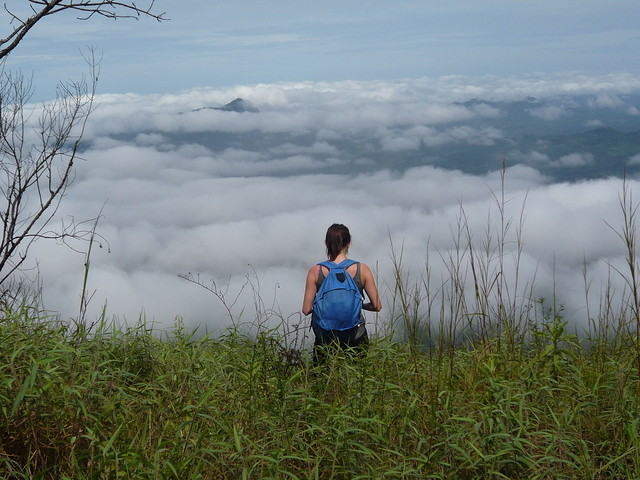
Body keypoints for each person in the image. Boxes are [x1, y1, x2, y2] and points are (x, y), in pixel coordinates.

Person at [302, 223, 382, 363]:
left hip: (325, 336)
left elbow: (306, 309)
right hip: (355, 334)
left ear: (326, 243)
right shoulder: (362, 269)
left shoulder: (315, 271)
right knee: (357, 377)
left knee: (322, 378)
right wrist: (359, 305)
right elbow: (377, 306)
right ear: (349, 243)